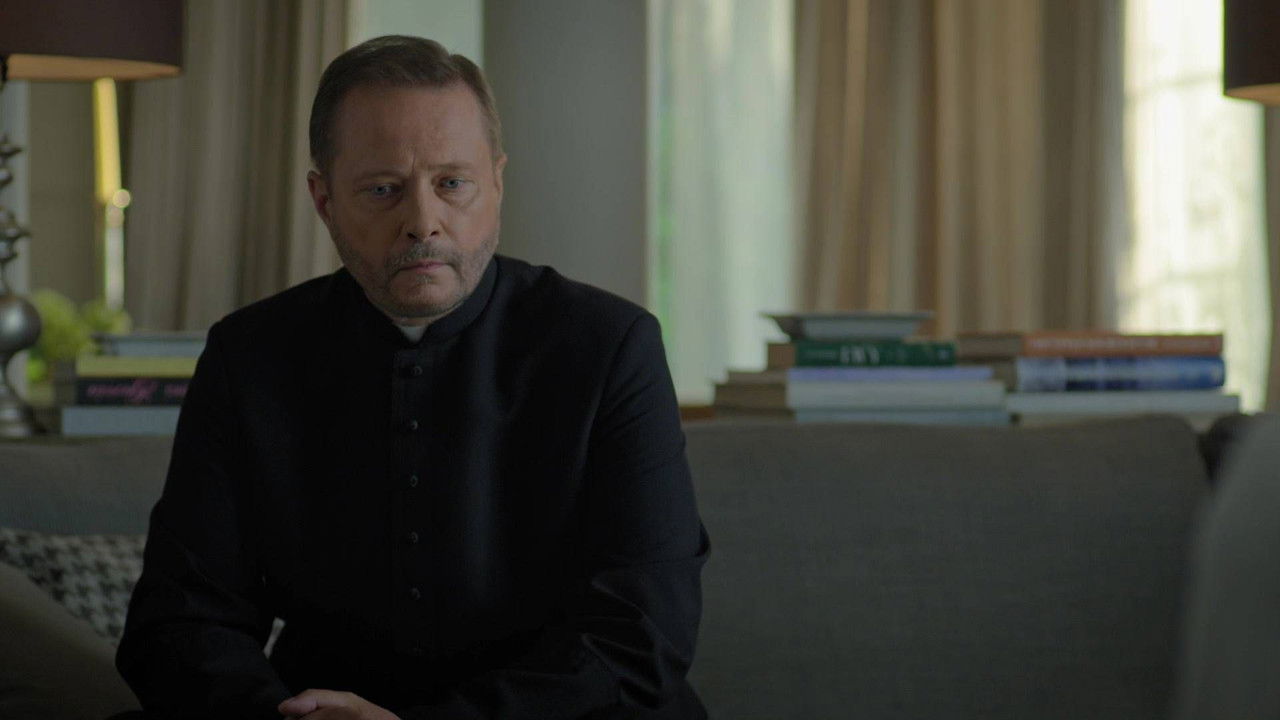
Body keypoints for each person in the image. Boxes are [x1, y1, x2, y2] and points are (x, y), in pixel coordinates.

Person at [115, 35, 709, 720]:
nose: (422, 223)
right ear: (323, 199)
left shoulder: (610, 347)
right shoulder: (248, 356)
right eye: (382, 189)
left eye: (452, 184)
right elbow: (181, 620)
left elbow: (641, 635)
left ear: (497, 183)